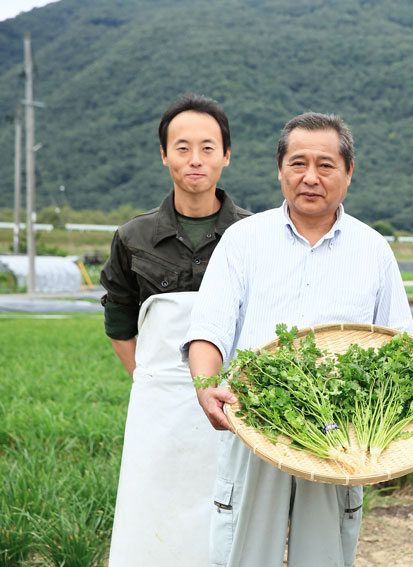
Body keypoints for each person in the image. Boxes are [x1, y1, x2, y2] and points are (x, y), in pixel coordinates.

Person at [182, 112, 413, 567]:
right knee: (244, 554)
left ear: (348, 172)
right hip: (254, 421)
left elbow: (398, 349)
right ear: (280, 169)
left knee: (325, 555)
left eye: (326, 165)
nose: (311, 177)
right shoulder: (243, 240)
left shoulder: (373, 250)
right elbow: (208, 329)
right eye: (298, 163)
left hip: (338, 438)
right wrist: (206, 387)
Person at [100, 93, 251, 566]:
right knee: (151, 511)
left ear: (226, 155)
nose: (195, 160)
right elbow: (119, 316)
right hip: (157, 401)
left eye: (208, 147)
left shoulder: (253, 234)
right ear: (163, 154)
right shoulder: (133, 236)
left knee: (227, 514)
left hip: (233, 397)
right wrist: (148, 379)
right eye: (181, 147)